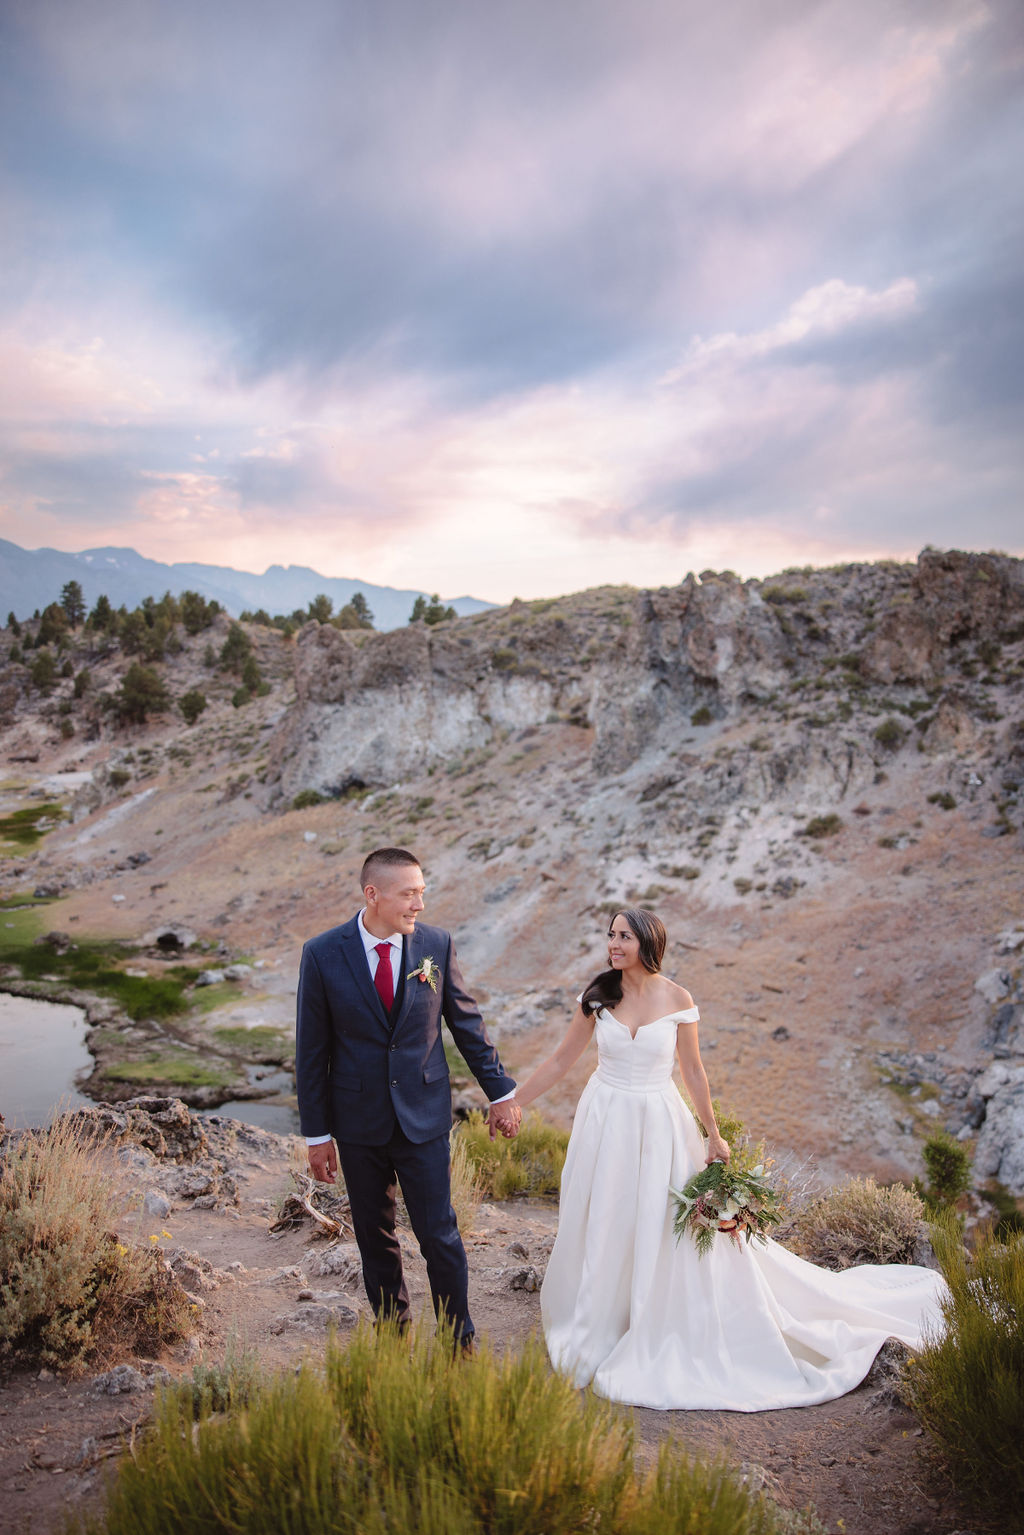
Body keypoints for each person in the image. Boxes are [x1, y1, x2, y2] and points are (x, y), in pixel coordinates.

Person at [513, 908, 948, 1411]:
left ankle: (655, 1317)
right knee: (607, 1216)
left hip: (661, 1125)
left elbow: (694, 1073)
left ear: (649, 942)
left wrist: (713, 1135)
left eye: (625, 936)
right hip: (604, 1120)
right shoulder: (597, 995)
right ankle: (601, 1318)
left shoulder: (678, 999)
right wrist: (516, 1100)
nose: (614, 944)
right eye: (611, 935)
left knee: (658, 1221)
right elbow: (561, 1060)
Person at [295, 847, 521, 1349]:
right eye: (408, 893)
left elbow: (466, 1025)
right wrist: (317, 1133)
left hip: (423, 1119)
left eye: (422, 892)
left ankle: (458, 1341)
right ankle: (393, 1340)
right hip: (358, 1125)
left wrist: (500, 1092)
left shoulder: (435, 947)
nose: (419, 903)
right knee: (375, 1240)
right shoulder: (323, 953)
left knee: (440, 1235)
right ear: (372, 894)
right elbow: (311, 1051)